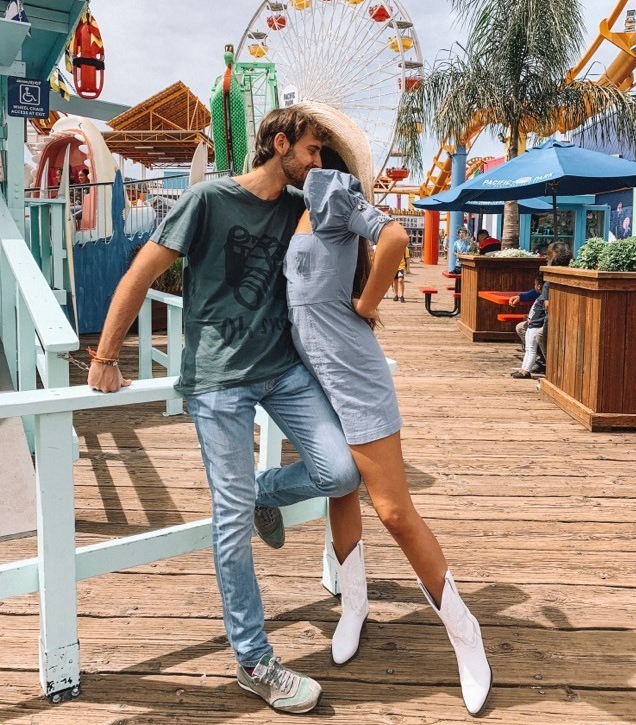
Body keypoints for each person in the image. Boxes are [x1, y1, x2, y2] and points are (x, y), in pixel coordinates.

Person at [87, 105, 362, 715]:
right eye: (313, 150)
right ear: (280, 142)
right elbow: (142, 271)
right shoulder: (208, 200)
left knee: (341, 472)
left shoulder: (298, 209)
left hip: (284, 370)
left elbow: (344, 250)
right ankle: (253, 660)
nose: (317, 163)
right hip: (218, 381)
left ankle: (265, 490)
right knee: (229, 519)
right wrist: (106, 355)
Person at [284, 148, 492, 717]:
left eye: (307, 143)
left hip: (352, 372)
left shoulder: (329, 188)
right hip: (312, 375)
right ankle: (354, 605)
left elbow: (396, 238)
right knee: (339, 486)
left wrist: (367, 302)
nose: (302, 153)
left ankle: (465, 634)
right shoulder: (286, 205)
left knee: (395, 511)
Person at [511, 242, 572, 379]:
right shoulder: (547, 277)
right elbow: (538, 294)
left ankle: (551, 366)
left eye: (548, 255)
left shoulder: (553, 277)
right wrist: (521, 297)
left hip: (553, 320)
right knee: (522, 328)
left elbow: (547, 304)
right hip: (542, 319)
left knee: (539, 334)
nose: (545, 258)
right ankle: (541, 361)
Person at [510, 273, 545, 373]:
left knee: (533, 345)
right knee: (522, 330)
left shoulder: (545, 294)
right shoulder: (542, 292)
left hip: (538, 324)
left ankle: (541, 362)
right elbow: (534, 293)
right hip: (533, 323)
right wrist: (520, 297)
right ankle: (525, 368)